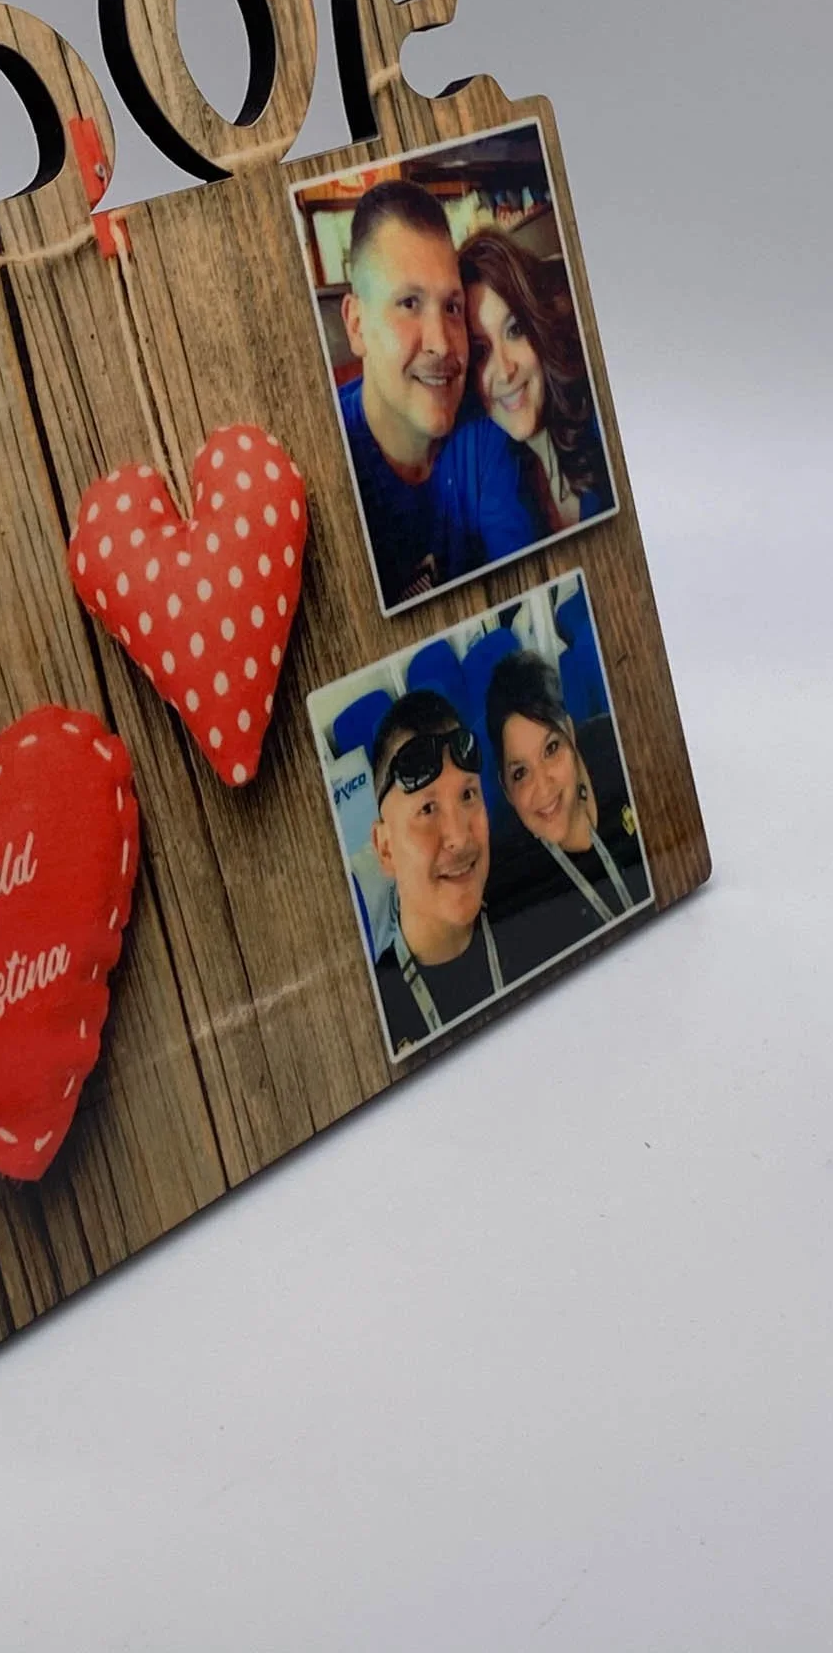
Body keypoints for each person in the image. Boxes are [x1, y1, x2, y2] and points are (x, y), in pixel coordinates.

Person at [338, 181, 539, 608]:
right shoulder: (332, 457)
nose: (444, 344)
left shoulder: (484, 439)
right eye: (409, 303)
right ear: (357, 325)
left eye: (451, 307)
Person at [483, 649, 647, 972]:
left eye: (551, 748)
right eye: (520, 773)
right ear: (506, 790)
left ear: (571, 734)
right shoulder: (513, 881)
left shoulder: (621, 746)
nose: (542, 787)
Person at [368, 689, 511, 1053]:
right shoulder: (373, 1013)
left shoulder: (537, 914)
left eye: (468, 796)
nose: (460, 837)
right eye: (428, 809)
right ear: (386, 849)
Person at [459, 227, 612, 534]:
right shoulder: (488, 468)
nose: (504, 371)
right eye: (481, 351)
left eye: (514, 330)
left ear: (540, 329)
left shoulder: (605, 421)